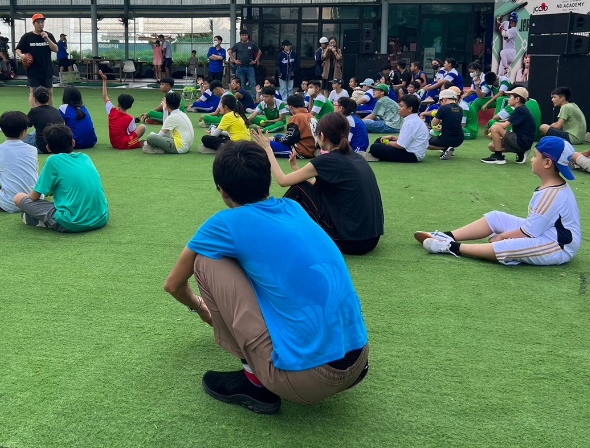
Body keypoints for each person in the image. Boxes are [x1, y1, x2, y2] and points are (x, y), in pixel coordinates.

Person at [163, 141, 370, 414]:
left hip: (307, 381)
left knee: (205, 261)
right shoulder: (294, 208)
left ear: (222, 191)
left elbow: (174, 284)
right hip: (359, 361)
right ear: (268, 180)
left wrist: (202, 309)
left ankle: (254, 382)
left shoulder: (224, 223)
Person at [415, 136, 582, 266]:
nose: (532, 159)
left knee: (507, 247)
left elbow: (529, 232)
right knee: (496, 217)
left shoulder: (551, 194)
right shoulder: (552, 188)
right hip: (545, 233)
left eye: (535, 156)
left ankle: (450, 247)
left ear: (547, 163)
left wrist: (502, 237)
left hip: (558, 246)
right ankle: (446, 235)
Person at [254, 114, 384, 256]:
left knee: (298, 189)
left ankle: (266, 228)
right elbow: (316, 189)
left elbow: (283, 181)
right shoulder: (356, 157)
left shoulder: (327, 160)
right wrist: (296, 169)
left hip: (350, 242)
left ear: (322, 136)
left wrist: (267, 149)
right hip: (370, 240)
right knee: (302, 187)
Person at [15, 124, 109, 233]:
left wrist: (31, 193)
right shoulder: (85, 157)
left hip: (72, 222)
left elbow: (34, 197)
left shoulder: (53, 161)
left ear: (48, 148)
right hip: (101, 218)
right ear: (73, 142)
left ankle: (44, 221)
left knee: (19, 197)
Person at [366, 94, 429, 163]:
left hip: (411, 155)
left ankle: (374, 155)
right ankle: (375, 155)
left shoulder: (410, 123)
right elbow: (408, 139)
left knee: (375, 147)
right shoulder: (414, 119)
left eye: (401, 106)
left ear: (410, 109)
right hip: (413, 152)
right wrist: (392, 137)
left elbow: (400, 145)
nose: (399, 108)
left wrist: (387, 142)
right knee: (380, 140)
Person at [482, 87, 536, 165]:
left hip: (522, 141)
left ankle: (498, 157)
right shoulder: (520, 110)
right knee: (492, 146)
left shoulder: (521, 110)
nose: (508, 99)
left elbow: (504, 125)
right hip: (522, 141)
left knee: (495, 127)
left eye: (510, 97)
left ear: (517, 99)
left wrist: (493, 126)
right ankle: (521, 152)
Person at [16, 13, 59, 106]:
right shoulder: (27, 37)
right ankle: (34, 113)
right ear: (33, 23)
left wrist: (47, 39)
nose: (41, 24)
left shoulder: (48, 35)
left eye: (42, 22)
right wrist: (22, 55)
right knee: (33, 93)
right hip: (33, 70)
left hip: (46, 69)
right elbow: (18, 49)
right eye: (38, 22)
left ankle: (49, 112)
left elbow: (56, 49)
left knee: (50, 92)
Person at [99, 70, 146, 150]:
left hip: (113, 143)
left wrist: (104, 81)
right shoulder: (130, 118)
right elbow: (133, 132)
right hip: (124, 144)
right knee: (142, 127)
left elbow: (105, 96)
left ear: (118, 104)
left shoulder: (111, 110)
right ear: (130, 106)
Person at [427, 89, 465, 160]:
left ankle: (445, 148)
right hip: (459, 139)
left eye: (440, 101)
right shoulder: (460, 109)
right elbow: (453, 123)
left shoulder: (443, 108)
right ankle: (448, 149)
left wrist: (436, 114)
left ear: (444, 99)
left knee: (424, 143)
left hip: (446, 139)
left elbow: (434, 123)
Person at [26, 87, 64, 154]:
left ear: (34, 99)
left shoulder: (35, 112)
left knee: (17, 137)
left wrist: (32, 106)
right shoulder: (55, 110)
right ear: (49, 97)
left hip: (43, 147)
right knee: (38, 129)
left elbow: (22, 127)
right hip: (58, 145)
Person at [498, 12, 519, 76]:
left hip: (511, 53)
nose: (514, 23)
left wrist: (499, 25)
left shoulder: (514, 30)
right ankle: (506, 77)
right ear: (511, 21)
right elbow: (499, 28)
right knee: (500, 74)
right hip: (506, 55)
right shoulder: (506, 23)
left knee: (502, 52)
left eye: (515, 22)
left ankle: (506, 70)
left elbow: (504, 35)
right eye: (513, 21)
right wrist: (499, 21)